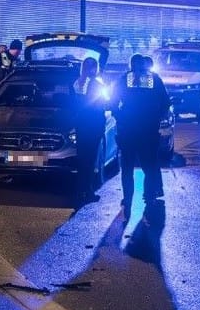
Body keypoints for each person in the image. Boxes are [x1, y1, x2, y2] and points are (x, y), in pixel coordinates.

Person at [110, 53, 171, 219]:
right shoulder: (154, 80)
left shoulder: (124, 79)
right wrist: (156, 117)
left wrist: (120, 117)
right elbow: (165, 103)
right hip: (148, 130)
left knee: (127, 168)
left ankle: (128, 200)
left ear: (131, 65)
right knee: (149, 167)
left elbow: (112, 102)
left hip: (128, 130)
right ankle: (149, 198)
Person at [72, 57, 108, 204]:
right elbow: (102, 104)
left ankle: (81, 190)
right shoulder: (96, 84)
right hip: (93, 125)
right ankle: (87, 191)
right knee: (90, 160)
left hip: (81, 126)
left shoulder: (77, 82)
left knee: (82, 160)